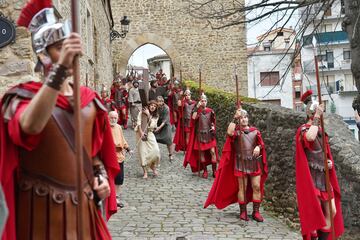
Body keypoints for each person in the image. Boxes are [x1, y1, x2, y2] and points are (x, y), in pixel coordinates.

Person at [0, 1, 119, 239]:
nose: (67, 52)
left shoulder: (89, 100)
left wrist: (101, 177)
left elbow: (94, 154)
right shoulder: (21, 97)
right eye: (58, 48)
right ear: (43, 55)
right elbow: (29, 126)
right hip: (38, 214)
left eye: (68, 46)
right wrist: (61, 68)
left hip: (83, 211)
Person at [204, 108, 268, 222]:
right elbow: (229, 132)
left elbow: (261, 143)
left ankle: (256, 212)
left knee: (256, 187)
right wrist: (235, 117)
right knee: (242, 188)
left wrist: (258, 147)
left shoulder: (255, 131)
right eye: (241, 118)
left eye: (245, 117)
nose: (244, 119)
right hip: (240, 163)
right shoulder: (236, 132)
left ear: (248, 118)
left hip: (253, 163)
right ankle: (243, 211)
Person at [295, 90, 344, 240]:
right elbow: (310, 137)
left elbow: (324, 153)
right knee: (315, 214)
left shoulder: (322, 131)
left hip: (324, 176)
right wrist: (316, 117)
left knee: (332, 211)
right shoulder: (303, 130)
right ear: (312, 114)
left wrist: (329, 162)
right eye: (318, 113)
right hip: (311, 177)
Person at [183, 93, 218, 178]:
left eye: (205, 101)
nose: (204, 102)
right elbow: (193, 119)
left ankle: (214, 171)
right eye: (202, 101)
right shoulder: (197, 111)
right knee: (201, 154)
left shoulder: (210, 111)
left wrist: (213, 128)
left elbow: (213, 122)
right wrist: (197, 108)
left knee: (213, 152)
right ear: (200, 102)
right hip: (200, 135)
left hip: (209, 135)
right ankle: (205, 171)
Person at [109, 111, 130, 209]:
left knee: (119, 178)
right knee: (110, 178)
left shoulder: (118, 127)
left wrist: (127, 148)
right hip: (110, 156)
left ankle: (116, 198)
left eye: (115, 118)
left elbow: (122, 139)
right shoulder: (105, 127)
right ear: (108, 118)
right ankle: (109, 198)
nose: (113, 119)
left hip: (120, 157)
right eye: (111, 118)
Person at [135, 101, 161, 179]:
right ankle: (145, 172)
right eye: (151, 105)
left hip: (150, 133)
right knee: (143, 152)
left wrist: (148, 114)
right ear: (148, 106)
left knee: (155, 151)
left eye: (154, 106)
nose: (152, 107)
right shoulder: (141, 113)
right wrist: (141, 133)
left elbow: (152, 125)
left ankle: (153, 168)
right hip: (140, 133)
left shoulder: (156, 116)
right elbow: (139, 123)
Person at [154, 96, 175, 161]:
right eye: (158, 101)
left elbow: (165, 120)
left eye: (161, 101)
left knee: (168, 140)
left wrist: (159, 128)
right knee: (153, 139)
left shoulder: (166, 108)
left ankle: (170, 154)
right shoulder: (155, 107)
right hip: (156, 124)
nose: (160, 103)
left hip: (165, 125)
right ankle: (154, 155)